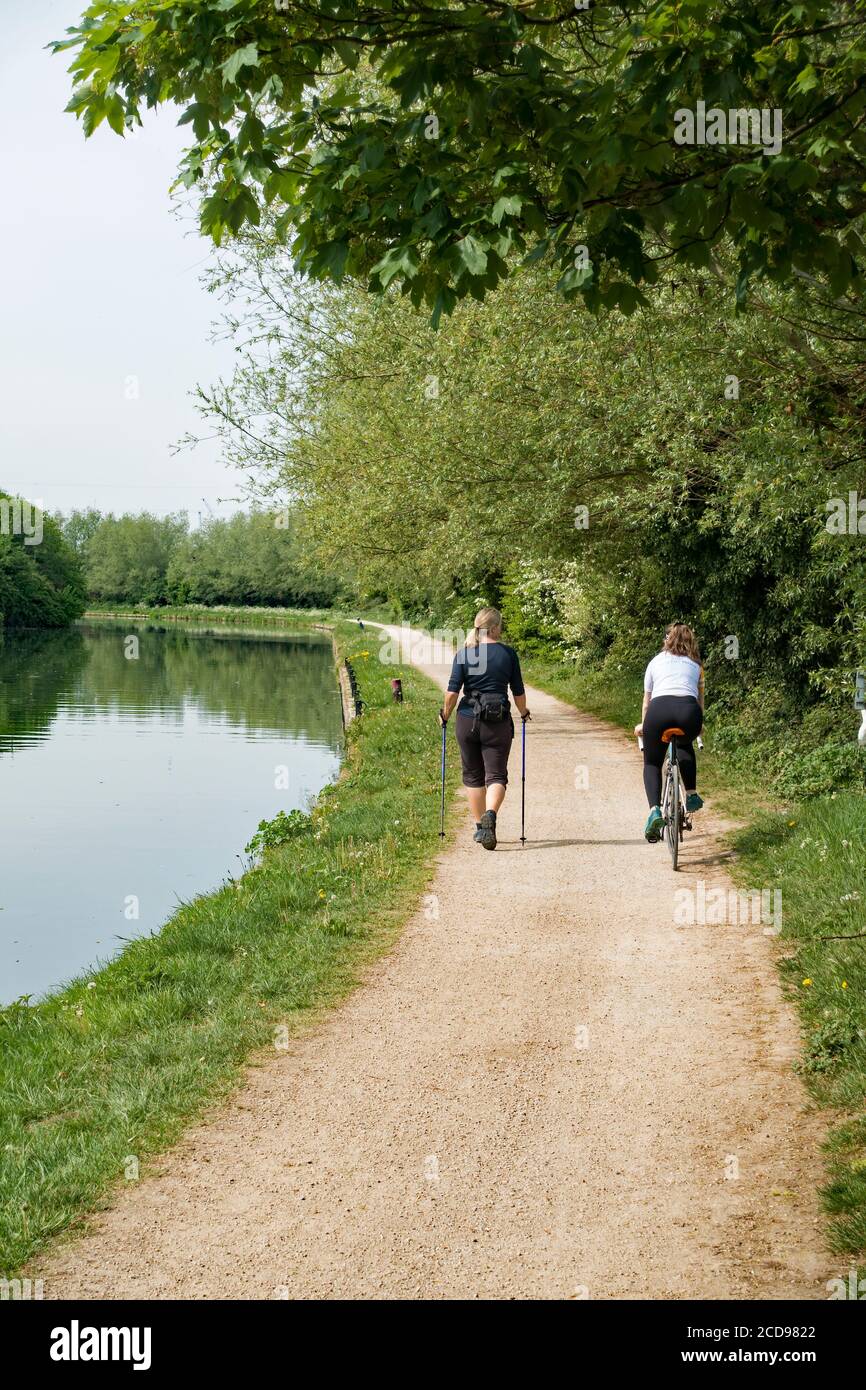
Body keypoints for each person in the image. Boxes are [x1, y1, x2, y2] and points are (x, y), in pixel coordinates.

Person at [438, 607, 530, 850]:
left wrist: (444, 715)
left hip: (468, 720)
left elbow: (452, 693)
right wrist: (523, 713)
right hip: (497, 720)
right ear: (496, 627)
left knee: (473, 776)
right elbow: (518, 692)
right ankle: (491, 814)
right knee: (497, 776)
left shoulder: (464, 654)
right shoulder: (508, 654)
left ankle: (480, 828)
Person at [635, 622, 704, 843]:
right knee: (684, 744)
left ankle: (655, 810)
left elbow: (647, 703)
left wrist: (643, 727)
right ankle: (691, 794)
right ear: (690, 641)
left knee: (652, 763)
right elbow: (699, 701)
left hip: (659, 711)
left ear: (667, 640)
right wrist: (698, 724)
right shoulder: (696, 664)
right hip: (688, 712)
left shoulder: (655, 662)